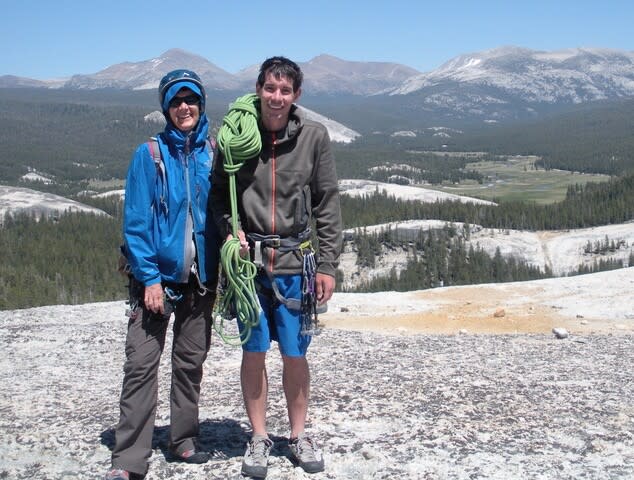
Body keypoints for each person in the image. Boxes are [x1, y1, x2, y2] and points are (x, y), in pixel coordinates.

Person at [210, 56, 342, 478]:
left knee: (294, 354)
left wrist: (327, 264)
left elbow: (326, 201)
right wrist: (231, 231)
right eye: (270, 88)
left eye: (285, 91)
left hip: (292, 262)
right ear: (258, 89)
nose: (277, 97)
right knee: (253, 353)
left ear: (296, 95)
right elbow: (218, 196)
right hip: (249, 266)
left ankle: (298, 435)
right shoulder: (235, 135)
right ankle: (259, 436)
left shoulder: (313, 138)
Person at [105, 69, 220, 480]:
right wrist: (149, 278)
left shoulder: (213, 150)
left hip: (200, 280)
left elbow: (222, 213)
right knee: (141, 367)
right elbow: (135, 224)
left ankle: (183, 440)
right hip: (156, 284)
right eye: (175, 100)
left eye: (190, 99)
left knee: (190, 364)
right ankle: (130, 459)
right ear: (165, 107)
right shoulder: (149, 155)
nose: (184, 106)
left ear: (201, 104)